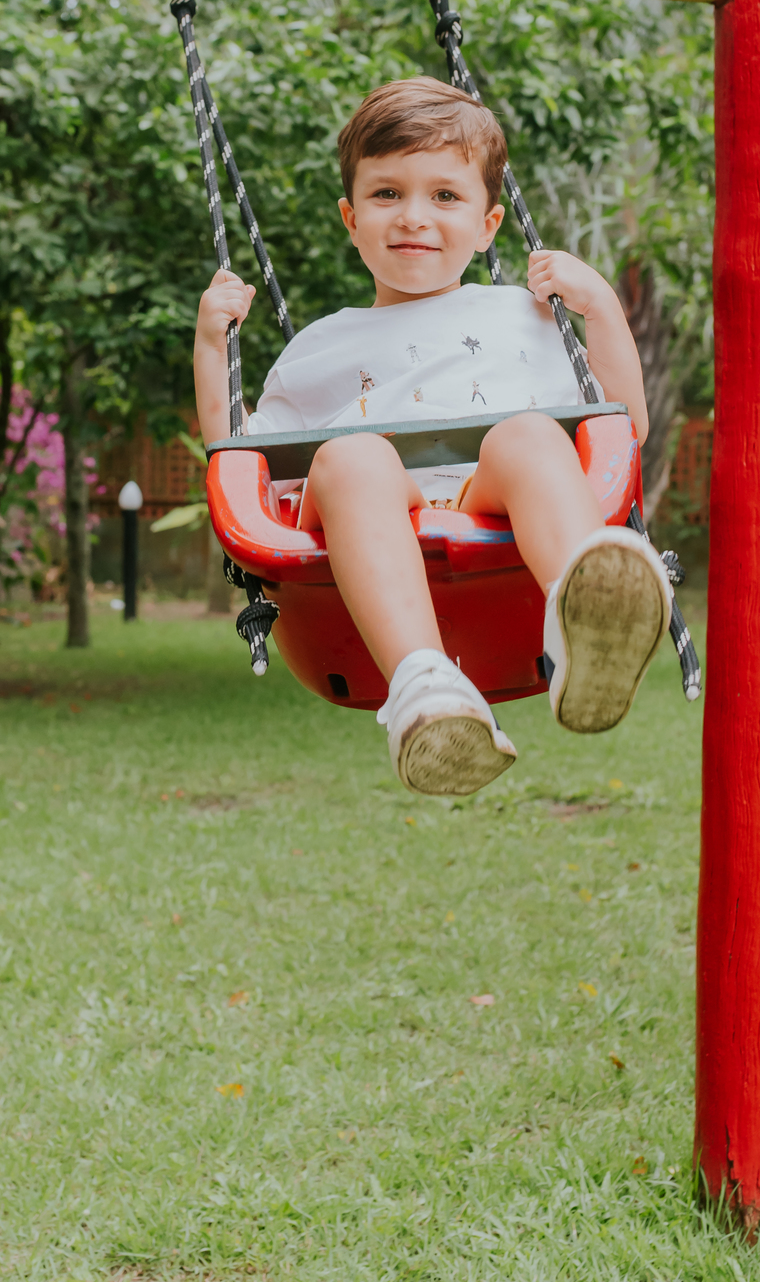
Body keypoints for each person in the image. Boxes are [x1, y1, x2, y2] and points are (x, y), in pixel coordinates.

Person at [195, 76, 672, 798]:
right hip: (366, 536)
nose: (414, 216)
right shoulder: (319, 349)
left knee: (529, 437)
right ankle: (424, 686)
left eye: (444, 196)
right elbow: (239, 467)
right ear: (351, 219)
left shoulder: (528, 315)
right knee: (352, 456)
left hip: (497, 525)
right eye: (387, 194)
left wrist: (599, 309)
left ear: (487, 226)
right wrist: (210, 347)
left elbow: (621, 428)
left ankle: (585, 609)